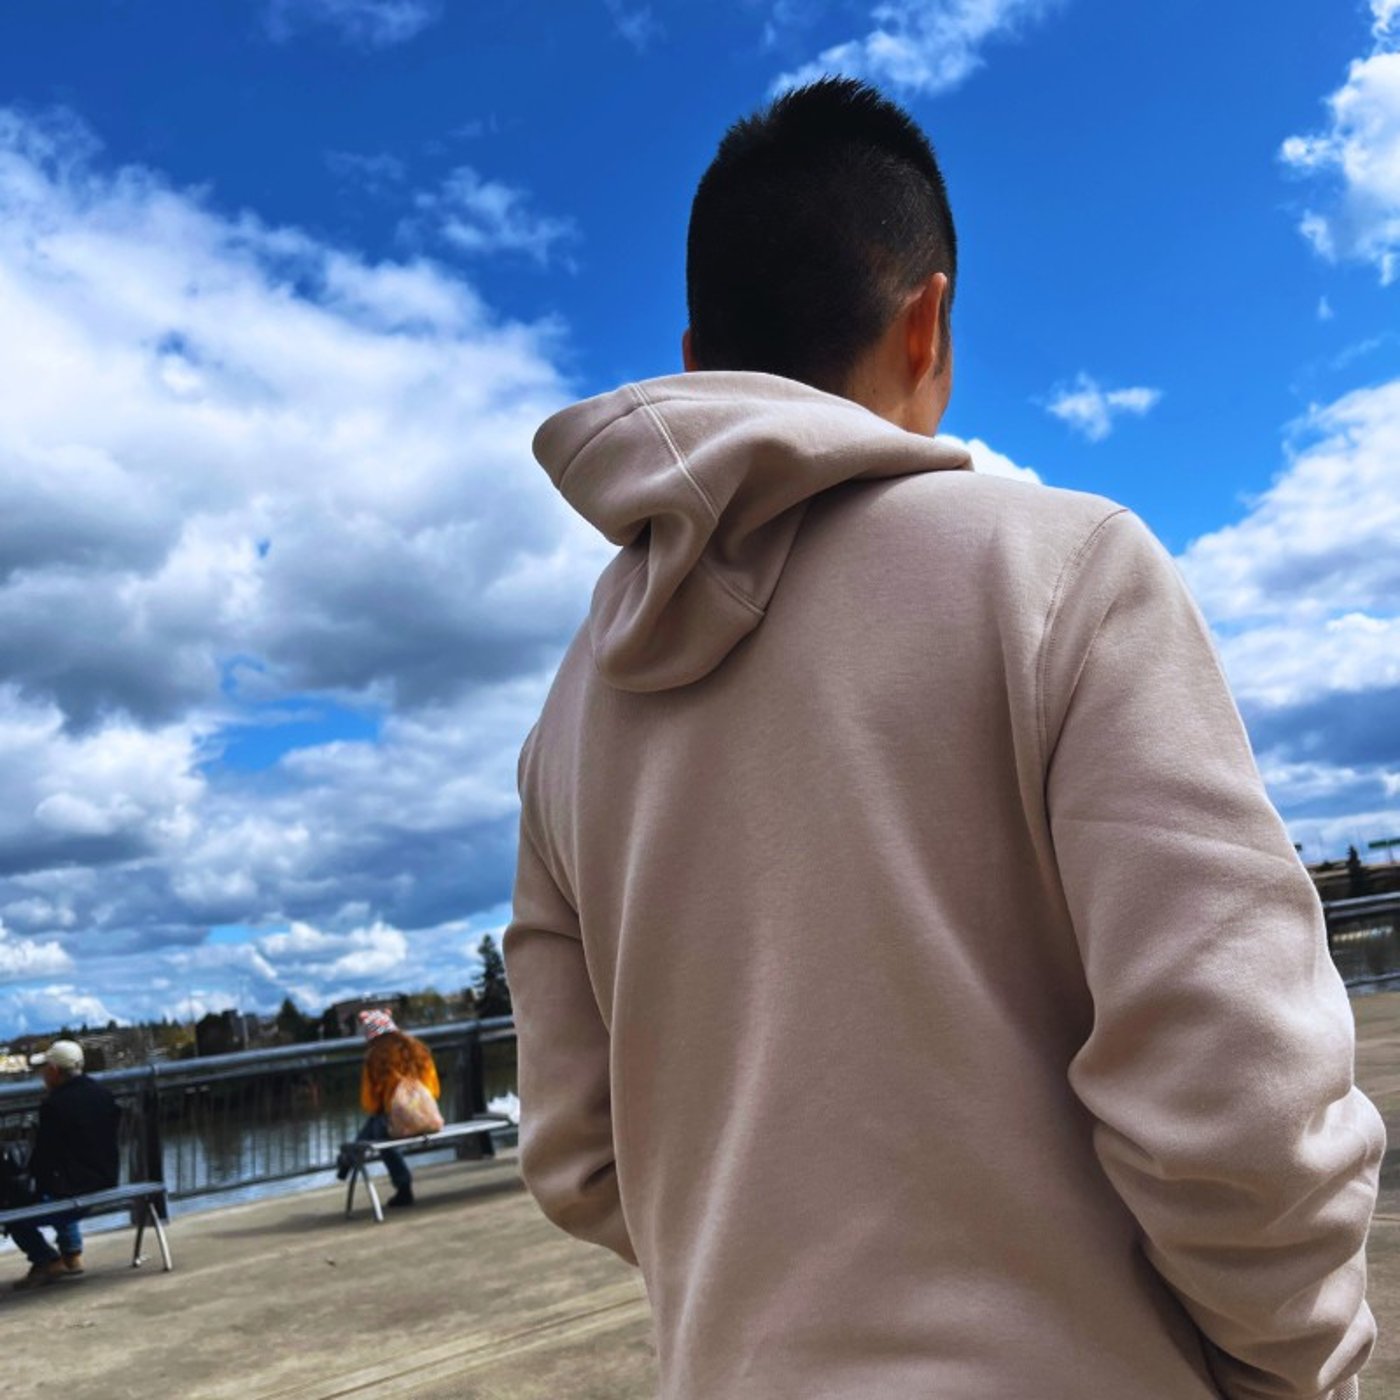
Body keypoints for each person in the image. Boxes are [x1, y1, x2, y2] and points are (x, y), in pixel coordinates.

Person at [502, 78, 1385, 1400]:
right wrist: (1294, 1371)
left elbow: (576, 1151)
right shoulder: (1069, 574)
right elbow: (1240, 1095)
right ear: (928, 319)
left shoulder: (568, 726)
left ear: (696, 359)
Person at [5, 1039, 120, 1290]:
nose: (42, 1075)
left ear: (55, 1071)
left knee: (12, 1206)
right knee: (63, 1184)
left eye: (44, 1069)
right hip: (106, 1181)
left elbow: (44, 1158)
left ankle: (46, 1260)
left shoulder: (54, 1105)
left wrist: (26, 1185)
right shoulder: (103, 1094)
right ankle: (72, 1253)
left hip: (73, 1188)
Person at [336, 1009, 439, 1208]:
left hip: (397, 1122)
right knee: (377, 1126)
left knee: (378, 1127)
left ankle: (400, 1184)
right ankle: (349, 1157)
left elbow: (371, 1104)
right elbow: (433, 1090)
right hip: (428, 1116)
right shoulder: (419, 1050)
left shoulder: (375, 1058)